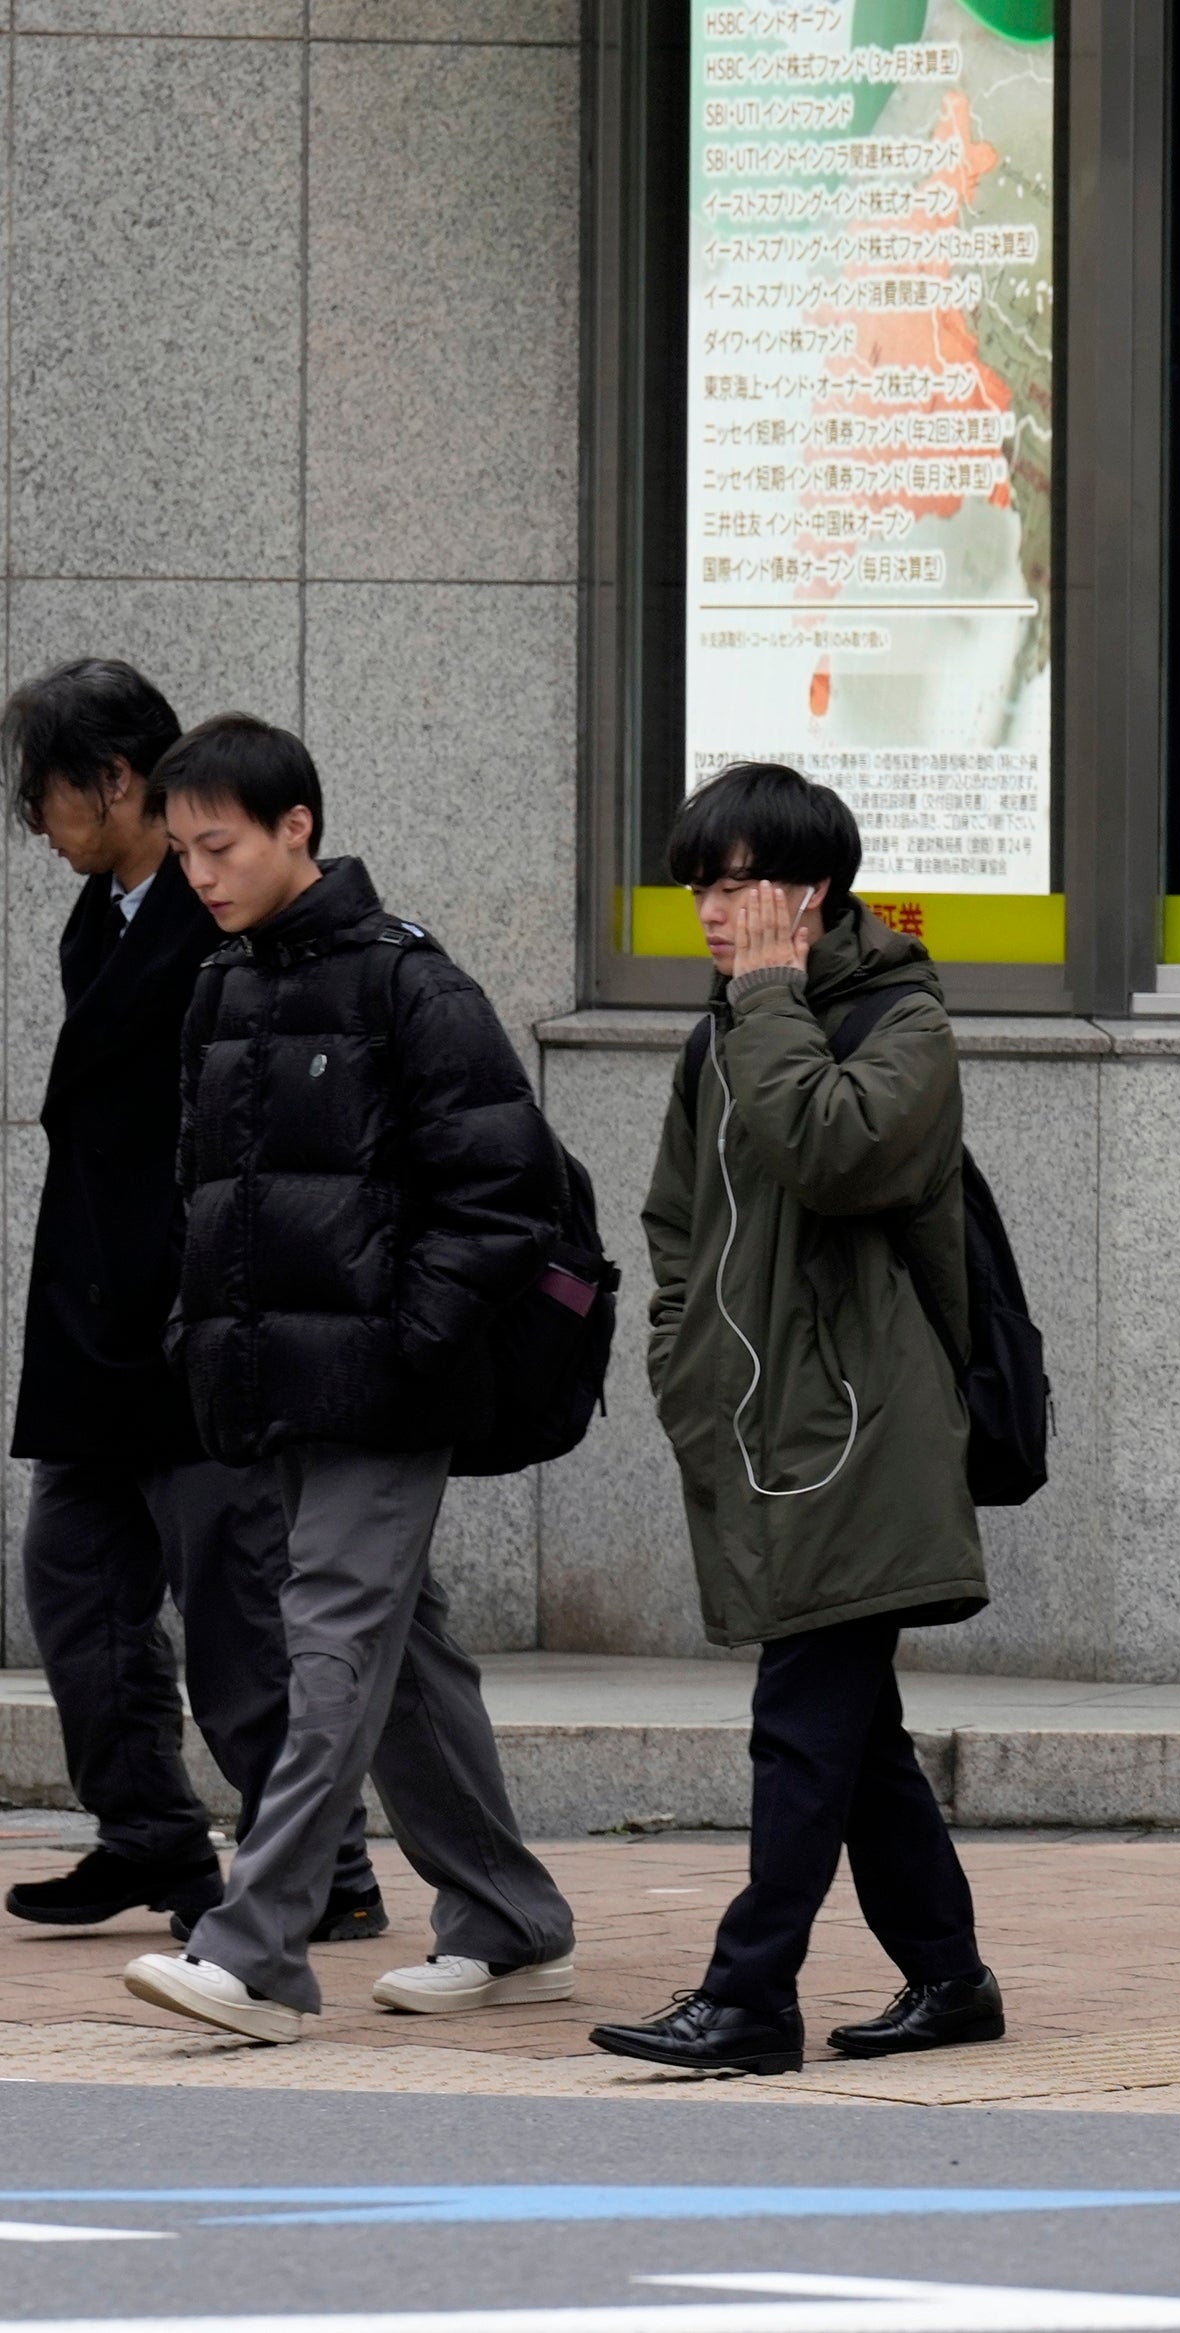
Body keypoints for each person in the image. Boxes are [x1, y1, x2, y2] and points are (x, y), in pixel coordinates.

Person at [116, 715, 575, 2045]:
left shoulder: (409, 985)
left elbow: (506, 1195)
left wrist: (404, 1347)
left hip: (385, 1391)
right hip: (273, 1386)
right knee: (401, 1659)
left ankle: (256, 1946)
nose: (199, 874)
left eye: (221, 845)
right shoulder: (226, 985)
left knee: (326, 1641)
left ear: (296, 828)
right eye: (185, 850)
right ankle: (508, 1917)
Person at [588, 762, 1000, 2079]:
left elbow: (833, 1148)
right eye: (698, 884)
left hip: (864, 1435)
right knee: (855, 1733)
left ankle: (751, 1992)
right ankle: (949, 1975)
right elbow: (674, 1224)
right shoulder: (721, 1035)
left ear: (813, 890)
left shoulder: (903, 1026)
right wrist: (681, 1367)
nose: (712, 910)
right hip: (758, 1428)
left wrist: (768, 996)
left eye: (738, 882)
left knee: (803, 1716)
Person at [0, 663, 385, 1947]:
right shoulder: (101, 915)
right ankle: (149, 1831)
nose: (33, 818)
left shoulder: (215, 912)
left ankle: (321, 1865)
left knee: (232, 1604)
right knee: (74, 1578)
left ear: (115, 781)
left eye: (45, 790)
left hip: (195, 1312)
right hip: (90, 1317)